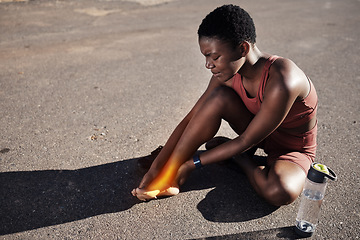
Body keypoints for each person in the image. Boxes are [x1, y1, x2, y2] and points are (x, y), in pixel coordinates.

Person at [131, 4, 318, 206]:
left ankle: (241, 160)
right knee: (217, 98)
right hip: (256, 135)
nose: (208, 65)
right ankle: (181, 167)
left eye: (215, 57)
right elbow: (191, 119)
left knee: (278, 192)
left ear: (243, 48)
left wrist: (191, 164)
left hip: (290, 149)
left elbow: (245, 140)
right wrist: (157, 171)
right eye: (205, 57)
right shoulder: (227, 75)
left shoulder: (283, 80)